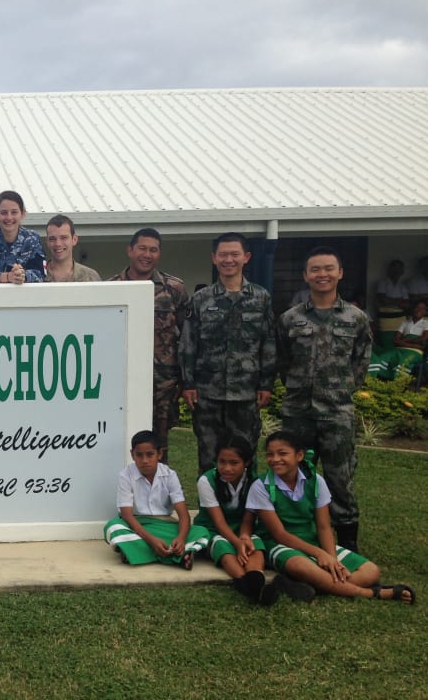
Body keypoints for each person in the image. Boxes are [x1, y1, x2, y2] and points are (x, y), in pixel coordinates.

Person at [245, 431, 415, 604]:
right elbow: (279, 534)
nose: (275, 459)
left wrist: (332, 560)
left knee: (371, 571)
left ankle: (304, 584)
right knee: (300, 566)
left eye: (282, 453)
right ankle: (373, 593)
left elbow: (324, 526)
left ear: (299, 456)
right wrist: (319, 554)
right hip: (278, 544)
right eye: (270, 454)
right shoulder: (261, 486)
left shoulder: (316, 481)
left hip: (313, 540)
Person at [276, 246, 372, 552]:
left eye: (329, 268)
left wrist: (339, 389)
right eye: (315, 269)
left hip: (337, 412)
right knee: (294, 474)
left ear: (340, 273)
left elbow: (361, 362)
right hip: (298, 412)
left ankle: (347, 538)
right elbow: (283, 361)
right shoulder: (290, 318)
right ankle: (298, 532)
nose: (322, 274)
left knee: (340, 476)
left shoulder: (356, 318)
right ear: (305, 275)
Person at [180, 232, 275, 474]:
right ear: (214, 258)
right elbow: (188, 343)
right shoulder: (201, 299)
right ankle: (210, 500)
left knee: (245, 457)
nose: (228, 260)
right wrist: (188, 383)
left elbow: (268, 343)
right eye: (223, 254)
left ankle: (246, 500)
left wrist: (266, 384)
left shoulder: (261, 298)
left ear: (246, 257)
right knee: (208, 458)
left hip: (246, 394)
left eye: (235, 254)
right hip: (207, 394)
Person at [107, 228, 190, 462]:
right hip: (122, 381)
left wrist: (185, 380)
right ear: (130, 250)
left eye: (153, 250)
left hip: (162, 384)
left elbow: (187, 338)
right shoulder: (112, 287)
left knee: (159, 445)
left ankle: (159, 486)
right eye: (142, 248)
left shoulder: (174, 288)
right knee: (119, 441)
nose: (147, 254)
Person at [103, 430, 209, 569]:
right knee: (113, 527)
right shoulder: (126, 475)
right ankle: (176, 556)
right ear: (132, 455)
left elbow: (183, 515)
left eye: (150, 454)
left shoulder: (170, 475)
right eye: (139, 455)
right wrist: (152, 540)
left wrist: (181, 539)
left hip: (164, 524)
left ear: (159, 454)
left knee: (201, 532)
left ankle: (137, 552)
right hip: (137, 524)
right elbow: (127, 515)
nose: (144, 460)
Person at [192, 436, 277, 605]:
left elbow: (248, 517)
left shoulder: (254, 482)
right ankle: (243, 583)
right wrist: (237, 543)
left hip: (241, 529)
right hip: (212, 529)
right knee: (222, 545)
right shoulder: (206, 481)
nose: (226, 468)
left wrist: (243, 538)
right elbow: (219, 522)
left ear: (246, 462)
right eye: (222, 462)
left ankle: (255, 577)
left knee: (254, 543)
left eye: (234, 463)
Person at [0, 191, 45, 284]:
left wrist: (21, 275)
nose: (9, 217)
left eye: (14, 212)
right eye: (4, 213)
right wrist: (6, 277)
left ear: (23, 213)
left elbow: (41, 273)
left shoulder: (32, 238)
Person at [44, 215, 101, 282]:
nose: (58, 244)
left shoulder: (90, 277)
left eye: (64, 238)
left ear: (74, 239)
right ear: (47, 242)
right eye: (52, 239)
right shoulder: (38, 275)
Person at [375, 258, 409, 346]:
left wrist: (390, 301)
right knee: (386, 345)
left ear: (402, 271)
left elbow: (407, 305)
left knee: (399, 346)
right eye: (395, 268)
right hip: (386, 322)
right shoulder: (382, 282)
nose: (397, 271)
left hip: (401, 322)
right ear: (390, 269)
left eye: (399, 268)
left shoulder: (403, 286)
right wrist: (399, 301)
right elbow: (382, 300)